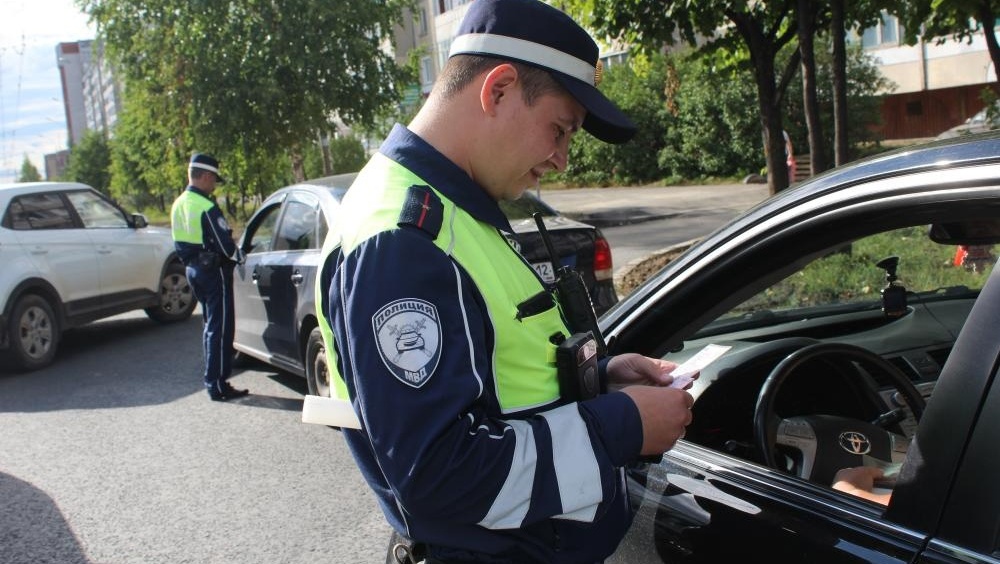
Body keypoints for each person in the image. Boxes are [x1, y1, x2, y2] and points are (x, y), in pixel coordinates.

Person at [315, 1, 694, 562]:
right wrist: (622, 425)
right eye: (559, 130)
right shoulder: (402, 241)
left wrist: (602, 379)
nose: (562, 159)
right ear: (498, 90)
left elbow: (496, 383)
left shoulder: (453, 209)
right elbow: (441, 476)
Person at [170, 153, 248, 402]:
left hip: (193, 271)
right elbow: (225, 246)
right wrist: (241, 256)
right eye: (213, 178)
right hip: (214, 273)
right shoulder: (205, 206)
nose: (214, 184)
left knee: (209, 327)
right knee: (221, 329)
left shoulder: (179, 203)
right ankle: (217, 382)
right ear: (204, 176)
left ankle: (213, 380)